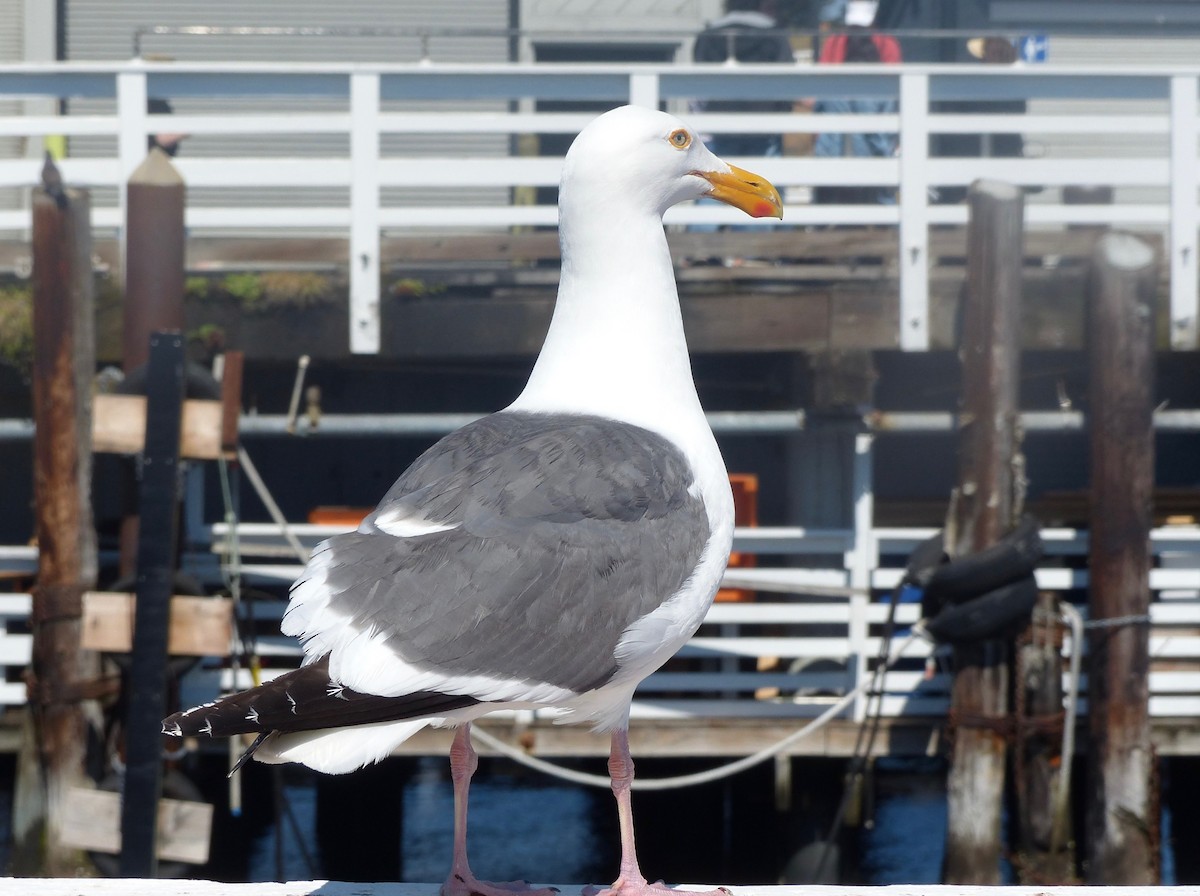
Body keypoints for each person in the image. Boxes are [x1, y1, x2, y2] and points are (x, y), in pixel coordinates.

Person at [812, 0, 902, 206]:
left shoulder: (836, 43)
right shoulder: (885, 43)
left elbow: (822, 85)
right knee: (877, 166)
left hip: (842, 127)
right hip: (869, 120)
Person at [692, 0, 794, 158]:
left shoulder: (709, 35)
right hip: (765, 121)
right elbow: (786, 81)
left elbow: (698, 83)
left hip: (720, 120)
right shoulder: (774, 34)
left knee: (724, 176)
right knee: (766, 178)